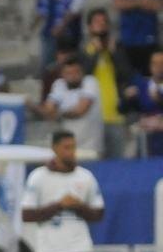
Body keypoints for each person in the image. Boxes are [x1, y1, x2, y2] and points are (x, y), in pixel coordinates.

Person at [80, 9, 134, 158]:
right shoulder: (84, 51)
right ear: (89, 27)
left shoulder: (117, 49)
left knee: (118, 162)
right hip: (92, 119)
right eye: (97, 22)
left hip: (115, 116)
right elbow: (83, 75)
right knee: (95, 161)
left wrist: (113, 53)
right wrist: (96, 52)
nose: (101, 26)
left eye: (104, 22)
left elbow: (127, 74)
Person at [39, 56, 104, 158]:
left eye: (76, 72)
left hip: (89, 147)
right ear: (62, 74)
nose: (73, 76)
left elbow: (80, 111)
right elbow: (48, 110)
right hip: (65, 148)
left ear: (82, 72)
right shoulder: (59, 85)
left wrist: (58, 113)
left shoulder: (90, 82)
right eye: (68, 73)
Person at [123, 50, 163, 156]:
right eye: (155, 63)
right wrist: (127, 98)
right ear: (150, 66)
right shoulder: (142, 86)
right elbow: (122, 108)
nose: (159, 67)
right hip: (146, 138)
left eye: (162, 63)